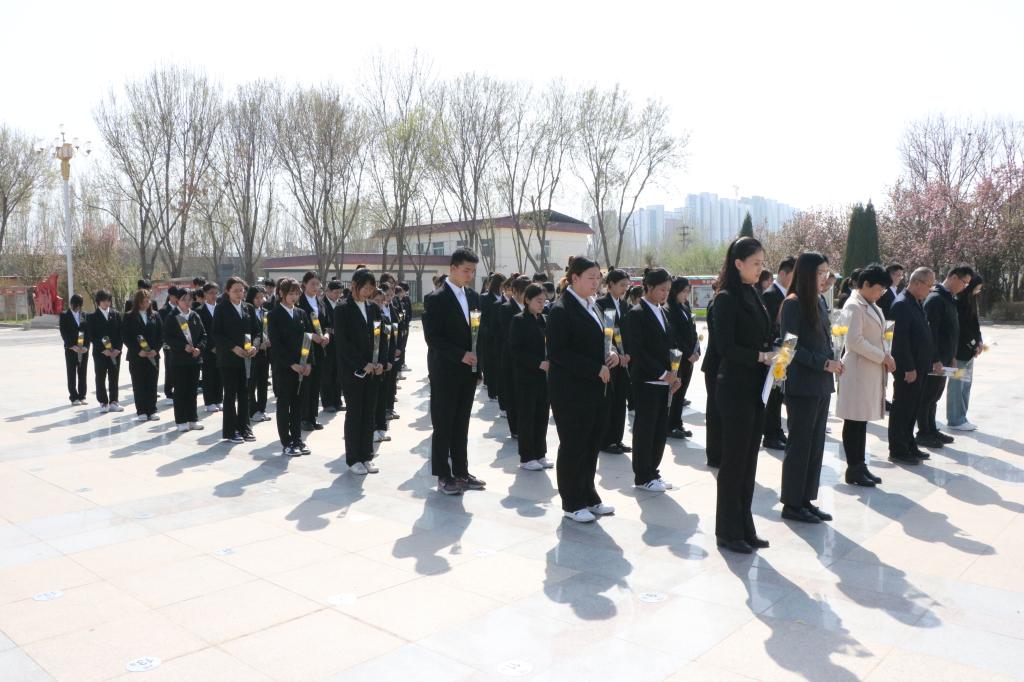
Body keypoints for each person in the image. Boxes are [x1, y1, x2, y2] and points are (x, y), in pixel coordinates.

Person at [548, 255, 620, 523]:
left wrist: (612, 353)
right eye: (591, 278)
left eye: (598, 278)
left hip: (596, 389)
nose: (596, 283)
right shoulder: (561, 309)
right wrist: (593, 368)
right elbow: (558, 352)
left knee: (591, 445)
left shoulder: (594, 306)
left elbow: (600, 340)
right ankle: (572, 502)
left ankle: (589, 495)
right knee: (573, 445)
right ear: (574, 278)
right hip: (571, 391)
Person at [713, 237, 773, 553]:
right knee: (734, 462)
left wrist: (777, 352)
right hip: (735, 388)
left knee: (749, 461)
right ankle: (727, 530)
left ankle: (745, 526)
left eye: (762, 263)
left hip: (756, 388)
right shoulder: (726, 298)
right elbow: (726, 347)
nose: (760, 269)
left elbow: (761, 335)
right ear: (738, 264)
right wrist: (760, 356)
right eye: (755, 263)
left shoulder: (754, 292)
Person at [779, 252, 841, 524]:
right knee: (800, 446)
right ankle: (792, 503)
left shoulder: (818, 300)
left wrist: (834, 359)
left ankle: (806, 499)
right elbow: (789, 347)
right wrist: (823, 363)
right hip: (803, 385)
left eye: (826, 272)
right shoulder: (793, 304)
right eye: (820, 272)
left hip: (821, 384)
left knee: (815, 446)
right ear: (806, 274)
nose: (824, 278)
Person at [423, 247, 487, 495]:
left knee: (462, 423)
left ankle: (462, 472)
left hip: (468, 371)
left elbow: (477, 336)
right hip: (445, 370)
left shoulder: (473, 297)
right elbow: (433, 338)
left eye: (473, 271)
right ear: (453, 269)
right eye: (466, 270)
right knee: (444, 424)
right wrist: (460, 355)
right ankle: (443, 475)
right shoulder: (436, 298)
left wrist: (477, 368)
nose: (470, 275)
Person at [622, 267, 681, 492]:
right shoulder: (637, 313)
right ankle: (642, 475)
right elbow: (637, 351)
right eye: (661, 289)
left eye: (668, 290)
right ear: (648, 287)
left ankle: (653, 471)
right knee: (645, 429)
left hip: (664, 380)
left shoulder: (662, 311)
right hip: (647, 380)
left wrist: (675, 374)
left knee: (659, 428)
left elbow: (670, 346)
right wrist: (663, 373)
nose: (665, 294)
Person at [836, 265, 893, 486]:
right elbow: (854, 341)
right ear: (866, 284)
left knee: (861, 422)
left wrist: (886, 354)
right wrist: (882, 356)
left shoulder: (871, 304)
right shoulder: (853, 305)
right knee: (854, 421)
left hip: (868, 370)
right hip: (857, 370)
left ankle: (860, 465)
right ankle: (854, 467)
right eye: (878, 289)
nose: (880, 294)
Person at [917, 265, 974, 448]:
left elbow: (951, 332)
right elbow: (930, 333)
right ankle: (923, 432)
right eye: (964, 282)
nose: (964, 287)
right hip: (934, 360)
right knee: (927, 397)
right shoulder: (935, 298)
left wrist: (952, 357)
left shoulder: (948, 298)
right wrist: (935, 359)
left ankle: (932, 429)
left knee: (935, 396)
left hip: (946, 358)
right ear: (954, 277)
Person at [334, 269, 383, 473]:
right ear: (354, 285)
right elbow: (342, 343)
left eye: (371, 288)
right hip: (353, 371)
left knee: (369, 412)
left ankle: (367, 456)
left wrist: (380, 361)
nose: (368, 292)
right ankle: (354, 458)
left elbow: (380, 337)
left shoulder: (373, 308)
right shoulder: (342, 309)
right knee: (355, 413)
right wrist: (362, 364)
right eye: (365, 288)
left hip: (373, 370)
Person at [887, 267, 937, 464]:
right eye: (928, 285)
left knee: (912, 409)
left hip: (920, 366)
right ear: (916, 283)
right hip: (909, 369)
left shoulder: (915, 302)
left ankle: (909, 444)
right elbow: (899, 342)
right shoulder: (902, 304)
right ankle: (898, 448)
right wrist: (908, 367)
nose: (930, 289)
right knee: (902, 409)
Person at [508, 283, 552, 471]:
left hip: (544, 376)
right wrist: (537, 363)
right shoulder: (519, 320)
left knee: (542, 415)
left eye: (544, 301)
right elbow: (515, 350)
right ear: (527, 300)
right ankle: (527, 457)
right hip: (526, 376)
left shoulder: (544, 320)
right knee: (527, 416)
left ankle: (540, 453)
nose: (542, 304)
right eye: (538, 301)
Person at [268, 278, 313, 456]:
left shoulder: (301, 313)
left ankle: (297, 438)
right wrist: (291, 363)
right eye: (291, 293)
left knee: (298, 404)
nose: (294, 297)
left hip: (301, 366)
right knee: (284, 404)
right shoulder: (274, 315)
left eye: (296, 293)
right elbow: (276, 345)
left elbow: (308, 338)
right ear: (281, 293)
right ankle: (286, 441)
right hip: (284, 367)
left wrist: (308, 362)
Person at [213, 276, 258, 444]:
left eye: (241, 290)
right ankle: (231, 431)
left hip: (246, 358)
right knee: (230, 394)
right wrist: (233, 347)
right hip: (228, 358)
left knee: (245, 393)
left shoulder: (249, 308)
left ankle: (245, 427)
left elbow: (257, 331)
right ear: (228, 291)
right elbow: (216, 333)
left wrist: (254, 346)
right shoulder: (221, 308)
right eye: (235, 291)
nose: (239, 294)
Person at [596, 269, 632, 454]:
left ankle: (617, 438)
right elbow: (603, 333)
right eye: (622, 285)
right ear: (610, 285)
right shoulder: (601, 304)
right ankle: (606, 440)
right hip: (609, 359)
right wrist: (616, 353)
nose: (625, 289)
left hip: (624, 360)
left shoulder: (625, 305)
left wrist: (628, 354)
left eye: (627, 285)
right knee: (608, 401)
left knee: (620, 400)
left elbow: (630, 333)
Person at [761, 256, 794, 450]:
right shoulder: (770, 295)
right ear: (782, 273)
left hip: (786, 349)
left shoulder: (789, 295)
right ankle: (770, 434)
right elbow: (769, 326)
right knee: (772, 394)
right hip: (774, 350)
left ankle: (777, 430)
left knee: (779, 394)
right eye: (792, 275)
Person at [163, 288, 206, 432]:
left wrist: (199, 348)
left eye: (189, 299)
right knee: (180, 391)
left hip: (194, 360)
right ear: (177, 301)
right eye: (184, 300)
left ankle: (193, 419)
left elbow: (203, 335)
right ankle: (181, 420)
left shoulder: (195, 315)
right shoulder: (172, 316)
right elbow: (167, 337)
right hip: (179, 360)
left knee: (192, 391)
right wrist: (183, 346)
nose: (187, 302)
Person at [947, 274, 984, 431]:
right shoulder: (959, 301)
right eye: (977, 288)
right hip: (960, 352)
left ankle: (962, 417)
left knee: (965, 385)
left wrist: (979, 341)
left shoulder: (971, 301)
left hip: (969, 352)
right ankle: (955, 419)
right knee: (957, 385)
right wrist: (974, 344)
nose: (978, 291)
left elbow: (975, 325)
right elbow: (962, 328)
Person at [297, 271, 332, 431]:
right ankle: (303, 417)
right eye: (312, 284)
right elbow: (298, 327)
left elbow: (327, 323)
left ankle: (313, 416)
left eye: (318, 284)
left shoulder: (320, 302)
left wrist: (326, 335)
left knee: (316, 382)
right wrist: (312, 336)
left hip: (320, 348)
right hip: (305, 347)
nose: (315, 287)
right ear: (304, 284)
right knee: (306, 383)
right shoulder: (299, 302)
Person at [665, 276, 699, 439]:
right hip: (678, 357)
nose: (686, 295)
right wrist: (688, 353)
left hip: (689, 358)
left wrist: (696, 351)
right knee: (675, 391)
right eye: (683, 291)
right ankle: (670, 425)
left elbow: (692, 330)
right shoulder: (669, 309)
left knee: (682, 391)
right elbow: (675, 337)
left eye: (688, 291)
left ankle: (677, 423)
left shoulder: (685, 307)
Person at [123, 289, 163, 422]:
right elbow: (126, 337)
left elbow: (161, 335)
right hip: (137, 356)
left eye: (147, 301)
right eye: (142, 302)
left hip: (153, 355)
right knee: (139, 383)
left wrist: (156, 350)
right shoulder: (129, 316)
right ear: (137, 302)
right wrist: (137, 350)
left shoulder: (155, 315)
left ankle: (152, 409)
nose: (145, 304)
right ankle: (141, 410)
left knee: (152, 383)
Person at [498, 276, 530, 439]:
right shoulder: (505, 308)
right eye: (525, 292)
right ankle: (515, 428)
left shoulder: (531, 308)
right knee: (512, 392)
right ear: (515, 291)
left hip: (528, 358)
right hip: (511, 357)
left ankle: (524, 426)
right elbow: (506, 334)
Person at [86, 289, 124, 413]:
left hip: (115, 352)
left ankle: (114, 401)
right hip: (100, 353)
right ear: (98, 302)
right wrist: (103, 349)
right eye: (103, 300)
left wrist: (118, 349)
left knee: (114, 376)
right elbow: (92, 336)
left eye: (108, 300)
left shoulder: (116, 314)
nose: (106, 303)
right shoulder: (92, 317)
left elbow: (121, 333)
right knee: (100, 376)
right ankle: (103, 402)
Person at [700, 282, 723, 468]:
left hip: (719, 365)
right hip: (716, 365)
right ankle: (715, 455)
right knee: (715, 412)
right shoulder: (717, 304)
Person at [246, 285, 272, 423]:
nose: (260, 300)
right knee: (251, 383)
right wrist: (257, 345)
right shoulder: (246, 312)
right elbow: (246, 332)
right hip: (251, 352)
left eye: (262, 297)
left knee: (263, 382)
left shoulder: (266, 312)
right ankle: (252, 410)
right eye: (257, 297)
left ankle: (262, 408)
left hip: (265, 353)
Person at [480, 273, 507, 402]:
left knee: (500, 364)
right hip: (489, 335)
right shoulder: (485, 298)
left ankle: (499, 389)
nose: (503, 288)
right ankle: (492, 391)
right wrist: (486, 331)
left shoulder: (504, 298)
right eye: (502, 285)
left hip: (501, 335)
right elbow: (482, 317)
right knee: (490, 363)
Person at [59, 293, 90, 405]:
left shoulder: (84, 315)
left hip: (83, 349)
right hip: (71, 349)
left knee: (82, 372)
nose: (77, 308)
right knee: (71, 372)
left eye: (79, 306)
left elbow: (88, 332)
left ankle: (82, 396)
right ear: (71, 304)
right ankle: (73, 397)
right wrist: (72, 346)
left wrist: (86, 346)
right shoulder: (64, 315)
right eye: (75, 306)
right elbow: (63, 332)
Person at [197, 283, 223, 413]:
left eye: (215, 293)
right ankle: (209, 401)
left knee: (220, 375)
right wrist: (210, 346)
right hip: (207, 349)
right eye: (210, 293)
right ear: (205, 294)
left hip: (222, 348)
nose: (213, 295)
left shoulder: (221, 309)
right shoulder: (199, 311)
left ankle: (219, 399)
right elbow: (201, 332)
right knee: (208, 375)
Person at [320, 280, 345, 413]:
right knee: (327, 373)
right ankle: (328, 402)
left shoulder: (341, 304)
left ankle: (337, 401)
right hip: (327, 343)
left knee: (338, 373)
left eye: (340, 293)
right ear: (328, 291)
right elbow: (323, 324)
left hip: (340, 344)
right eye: (335, 292)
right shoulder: (322, 304)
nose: (338, 295)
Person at [158, 287, 179, 401]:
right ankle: (169, 392)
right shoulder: (163, 310)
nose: (177, 299)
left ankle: (178, 389)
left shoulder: (182, 308)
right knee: (170, 368)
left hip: (181, 344)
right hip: (168, 344)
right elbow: (162, 329)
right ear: (170, 296)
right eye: (176, 297)